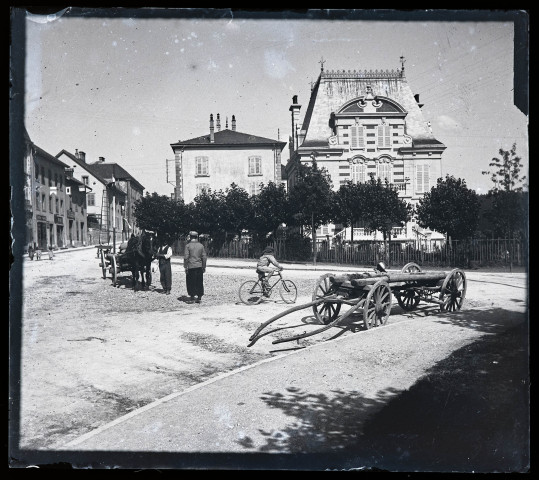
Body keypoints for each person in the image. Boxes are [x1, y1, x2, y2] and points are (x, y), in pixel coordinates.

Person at [184, 231, 207, 304]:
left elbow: (186, 257)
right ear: (196, 237)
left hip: (191, 266)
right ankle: (199, 296)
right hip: (199, 266)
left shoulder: (188, 246)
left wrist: (185, 266)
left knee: (191, 282)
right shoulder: (201, 246)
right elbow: (204, 257)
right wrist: (203, 266)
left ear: (190, 237)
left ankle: (192, 296)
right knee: (199, 281)